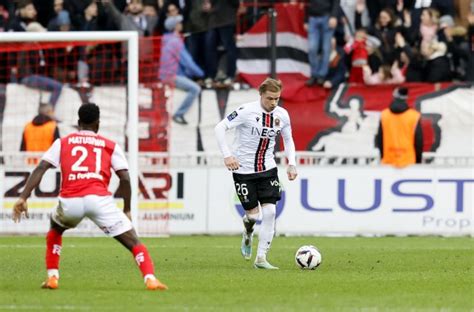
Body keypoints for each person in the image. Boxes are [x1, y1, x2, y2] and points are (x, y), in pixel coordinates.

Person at [12, 103, 168, 291]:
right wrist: (126, 208)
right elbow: (125, 179)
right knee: (133, 241)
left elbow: (41, 168)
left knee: (55, 228)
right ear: (98, 124)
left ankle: (53, 277)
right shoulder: (110, 145)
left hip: (70, 201)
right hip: (99, 200)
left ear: (78, 123)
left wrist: (23, 197)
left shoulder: (63, 142)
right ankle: (150, 279)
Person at [214, 78, 297, 269]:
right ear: (261, 94)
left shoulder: (282, 115)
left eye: (277, 99)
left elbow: (288, 139)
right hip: (243, 170)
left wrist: (291, 163)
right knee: (253, 216)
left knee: (270, 212)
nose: (273, 103)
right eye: (270, 98)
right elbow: (220, 128)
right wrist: (227, 155)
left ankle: (261, 258)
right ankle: (248, 231)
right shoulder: (246, 111)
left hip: (268, 169)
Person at [159, 15, 204, 125]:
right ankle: (179, 114)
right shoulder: (175, 42)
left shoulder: (167, 39)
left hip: (167, 74)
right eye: (179, 23)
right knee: (195, 89)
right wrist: (201, 74)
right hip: (170, 75)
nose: (181, 24)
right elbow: (187, 62)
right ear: (175, 26)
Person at [375, 87, 423, 167]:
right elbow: (418, 142)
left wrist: (383, 156)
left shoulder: (384, 115)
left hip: (388, 160)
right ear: (406, 98)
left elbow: (380, 139)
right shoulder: (414, 116)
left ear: (394, 97)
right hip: (409, 161)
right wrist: (418, 162)